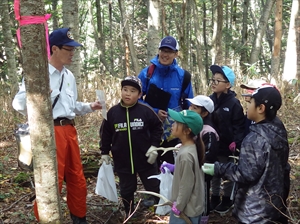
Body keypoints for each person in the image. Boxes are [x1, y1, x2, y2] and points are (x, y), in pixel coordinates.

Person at [12, 28, 102, 223]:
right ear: (54, 49)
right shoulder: (39, 73)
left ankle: (79, 218)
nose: (72, 53)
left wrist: (89, 107)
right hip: (48, 131)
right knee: (51, 181)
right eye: (68, 49)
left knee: (77, 177)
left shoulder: (69, 76)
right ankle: (47, 218)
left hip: (69, 130)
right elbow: (17, 104)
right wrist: (41, 94)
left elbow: (70, 106)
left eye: (74, 50)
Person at [202, 85, 290, 224]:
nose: (247, 106)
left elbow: (246, 174)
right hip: (275, 206)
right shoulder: (278, 129)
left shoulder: (254, 139)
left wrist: (217, 168)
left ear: (261, 108)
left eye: (250, 103)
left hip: (254, 211)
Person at [99, 76, 163, 218]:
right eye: (125, 90)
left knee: (153, 185)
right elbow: (106, 134)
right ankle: (129, 212)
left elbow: (158, 128)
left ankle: (161, 210)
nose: (128, 93)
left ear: (139, 95)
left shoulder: (146, 111)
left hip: (146, 159)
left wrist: (154, 147)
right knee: (126, 189)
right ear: (121, 91)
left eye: (133, 91)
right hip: (123, 161)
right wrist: (104, 152)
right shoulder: (112, 113)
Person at [138, 36, 194, 167]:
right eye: (163, 50)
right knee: (151, 167)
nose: (165, 54)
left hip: (174, 131)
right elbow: (137, 99)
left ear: (176, 54)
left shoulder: (183, 76)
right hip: (150, 129)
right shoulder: (147, 73)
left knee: (172, 166)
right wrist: (154, 112)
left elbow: (189, 104)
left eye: (169, 51)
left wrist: (188, 128)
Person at [208, 65, 245, 214]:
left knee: (227, 173)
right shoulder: (209, 100)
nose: (214, 83)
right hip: (213, 145)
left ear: (228, 85)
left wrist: (236, 142)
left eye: (218, 80)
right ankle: (215, 197)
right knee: (213, 172)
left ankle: (228, 199)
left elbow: (239, 125)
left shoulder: (234, 103)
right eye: (213, 80)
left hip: (228, 147)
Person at [161, 109, 205, 224]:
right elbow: (188, 173)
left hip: (186, 210)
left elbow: (187, 184)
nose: (172, 124)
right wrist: (174, 167)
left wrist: (178, 206)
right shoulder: (189, 147)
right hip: (189, 206)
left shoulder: (186, 155)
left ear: (187, 131)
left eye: (176, 123)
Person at [187, 95, 219, 217]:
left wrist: (195, 162)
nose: (190, 109)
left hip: (203, 172)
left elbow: (210, 154)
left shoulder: (208, 131)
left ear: (204, 113)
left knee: (203, 194)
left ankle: (204, 217)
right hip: (192, 169)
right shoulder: (193, 127)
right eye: (190, 106)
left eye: (195, 108)